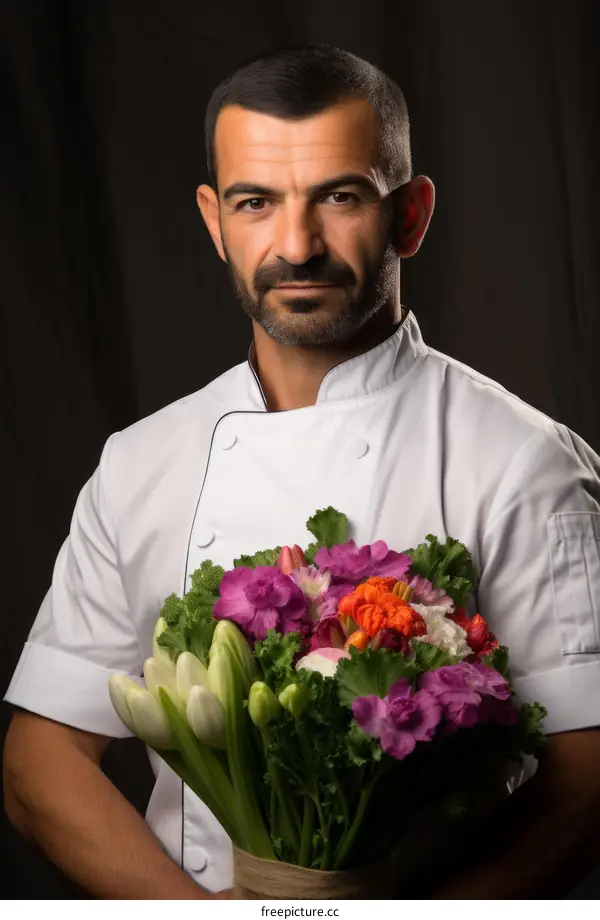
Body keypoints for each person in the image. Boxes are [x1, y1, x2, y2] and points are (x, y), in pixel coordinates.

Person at [3, 42, 600, 900]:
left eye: (340, 196)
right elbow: (40, 758)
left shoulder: (522, 464)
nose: (296, 243)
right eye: (256, 202)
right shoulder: (140, 462)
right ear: (214, 222)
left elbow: (587, 785)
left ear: (411, 215)